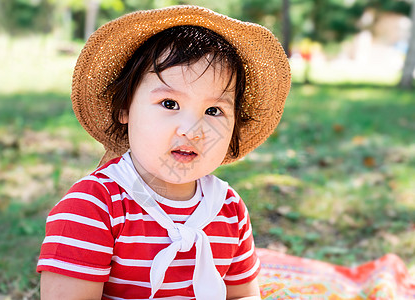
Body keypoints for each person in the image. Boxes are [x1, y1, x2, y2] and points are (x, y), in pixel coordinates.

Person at [36, 5, 291, 300]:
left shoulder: (229, 209)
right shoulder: (92, 208)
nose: (192, 130)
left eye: (213, 110)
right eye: (169, 104)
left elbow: (242, 294)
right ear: (124, 108)